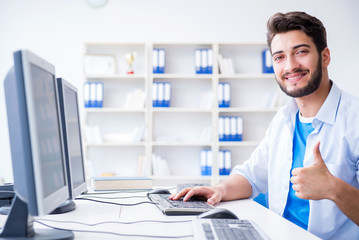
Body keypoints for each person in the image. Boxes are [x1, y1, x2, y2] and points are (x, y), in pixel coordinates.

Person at [170, 11, 359, 239]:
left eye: (300, 52)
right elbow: (251, 176)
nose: (290, 66)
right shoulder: (283, 119)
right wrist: (218, 190)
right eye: (279, 57)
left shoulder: (354, 120)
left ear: (325, 56)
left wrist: (333, 189)